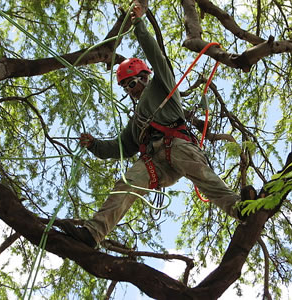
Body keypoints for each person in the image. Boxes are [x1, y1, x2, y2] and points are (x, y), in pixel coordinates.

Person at [61, 2, 246, 248]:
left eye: (130, 84)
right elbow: (122, 147)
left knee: (205, 179)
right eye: (125, 87)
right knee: (125, 184)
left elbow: (156, 57)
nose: (129, 91)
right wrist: (94, 145)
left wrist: (138, 23)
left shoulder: (162, 86)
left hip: (178, 146)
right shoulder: (137, 120)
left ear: (142, 77)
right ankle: (93, 233)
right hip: (153, 163)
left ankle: (242, 209)